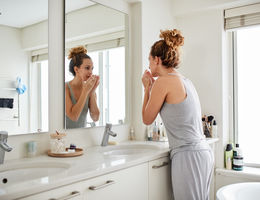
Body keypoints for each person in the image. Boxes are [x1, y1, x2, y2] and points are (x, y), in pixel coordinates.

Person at [142, 29, 214, 200]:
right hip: (203, 152)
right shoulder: (186, 80)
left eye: (149, 60)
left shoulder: (163, 82)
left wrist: (147, 89)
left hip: (188, 155)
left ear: (157, 59)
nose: (149, 65)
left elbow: (147, 119)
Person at [65, 46, 100, 129]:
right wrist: (85, 91)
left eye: (92, 68)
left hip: (81, 136)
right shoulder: (65, 88)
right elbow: (73, 117)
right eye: (87, 68)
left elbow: (95, 118)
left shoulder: (89, 89)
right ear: (76, 69)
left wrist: (92, 92)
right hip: (65, 138)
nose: (91, 72)